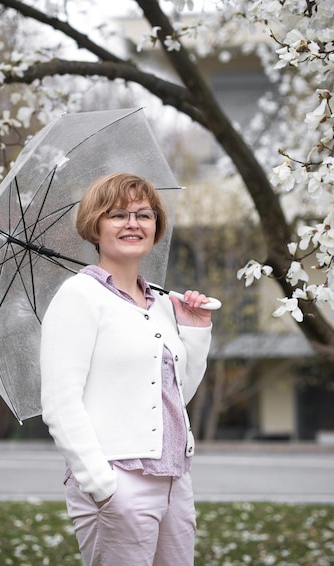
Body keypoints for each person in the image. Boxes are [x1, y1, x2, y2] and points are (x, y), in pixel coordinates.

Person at [40, 172, 212, 565]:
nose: (133, 223)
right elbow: (59, 403)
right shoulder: (79, 297)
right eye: (117, 214)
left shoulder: (162, 304)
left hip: (173, 481)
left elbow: (174, 397)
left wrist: (196, 331)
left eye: (144, 215)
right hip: (118, 482)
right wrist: (102, 486)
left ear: (156, 227)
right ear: (95, 226)